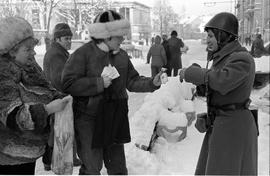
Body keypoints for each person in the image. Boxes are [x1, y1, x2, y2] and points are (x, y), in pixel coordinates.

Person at [61, 10, 162, 175]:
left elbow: (132, 80)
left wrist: (152, 82)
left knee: (118, 168)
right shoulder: (83, 54)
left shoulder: (121, 56)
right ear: (106, 36)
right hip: (89, 121)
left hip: (115, 117)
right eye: (120, 35)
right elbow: (68, 83)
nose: (123, 39)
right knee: (92, 168)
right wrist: (98, 83)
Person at [179, 12, 257, 175]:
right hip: (222, 125)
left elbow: (222, 81)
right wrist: (210, 116)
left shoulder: (242, 58)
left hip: (234, 128)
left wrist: (195, 73)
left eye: (211, 36)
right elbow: (219, 92)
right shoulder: (222, 58)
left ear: (224, 36)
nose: (207, 40)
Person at [0, 16, 69, 175]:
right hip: (10, 158)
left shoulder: (29, 67)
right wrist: (48, 110)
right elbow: (13, 117)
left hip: (29, 154)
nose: (33, 53)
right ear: (12, 51)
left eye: (33, 48)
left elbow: (48, 90)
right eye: (28, 49)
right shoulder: (3, 76)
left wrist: (62, 98)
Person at [42, 23, 81, 171]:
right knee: (58, 130)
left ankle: (57, 159)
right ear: (57, 39)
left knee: (59, 130)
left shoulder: (59, 52)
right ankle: (52, 160)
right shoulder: (56, 54)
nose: (69, 41)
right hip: (59, 98)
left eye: (70, 38)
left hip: (58, 97)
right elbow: (61, 80)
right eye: (66, 38)